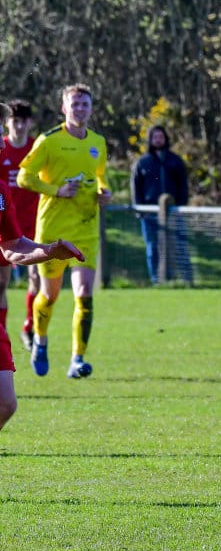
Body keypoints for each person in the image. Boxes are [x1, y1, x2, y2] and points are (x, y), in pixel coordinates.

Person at [0, 101, 86, 429]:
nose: (2, 140)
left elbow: (12, 247)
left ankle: (27, 328)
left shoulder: (1, 192)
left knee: (6, 403)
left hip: (30, 230)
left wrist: (50, 250)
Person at [17, 83, 112, 379]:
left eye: (85, 104)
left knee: (84, 294)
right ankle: (40, 340)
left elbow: (100, 176)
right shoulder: (48, 141)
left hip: (86, 228)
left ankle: (77, 360)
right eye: (74, 104)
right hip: (53, 231)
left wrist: (104, 191)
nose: (80, 109)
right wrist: (56, 190)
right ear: (64, 108)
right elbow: (23, 177)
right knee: (50, 295)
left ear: (91, 109)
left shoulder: (98, 142)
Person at [0, 100, 40, 349]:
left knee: (36, 278)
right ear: (8, 123)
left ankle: (29, 326)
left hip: (33, 223)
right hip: (5, 225)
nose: (20, 125)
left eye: (24, 120)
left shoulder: (37, 148)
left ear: (30, 123)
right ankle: (2, 334)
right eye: (15, 120)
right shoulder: (1, 148)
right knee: (1, 283)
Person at [130, 125, 192, 285]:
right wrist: (141, 211)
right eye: (155, 137)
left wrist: (181, 206)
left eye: (161, 137)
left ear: (165, 138)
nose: (158, 140)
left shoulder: (175, 161)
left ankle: (187, 280)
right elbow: (136, 188)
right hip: (150, 214)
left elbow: (183, 187)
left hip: (173, 212)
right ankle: (157, 281)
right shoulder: (142, 162)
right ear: (150, 140)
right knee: (153, 248)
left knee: (180, 246)